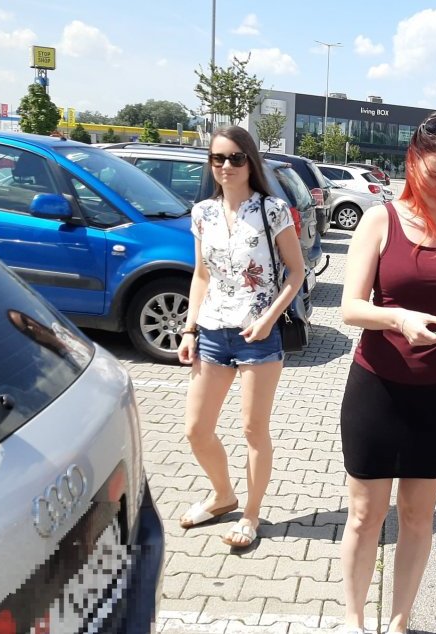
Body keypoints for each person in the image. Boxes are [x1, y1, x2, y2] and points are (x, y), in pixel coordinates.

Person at [338, 112, 436, 634]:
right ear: (413, 162)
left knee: (419, 517)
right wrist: (399, 318)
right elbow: (351, 308)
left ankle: (400, 622)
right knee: (365, 516)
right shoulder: (380, 219)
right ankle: (355, 622)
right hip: (376, 390)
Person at [176, 125, 306, 550]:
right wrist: (190, 327)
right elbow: (200, 274)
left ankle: (250, 514)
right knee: (196, 429)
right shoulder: (202, 213)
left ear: (250, 161)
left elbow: (296, 271)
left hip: (258, 334)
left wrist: (269, 319)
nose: (226, 166)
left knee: (253, 430)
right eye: (218, 158)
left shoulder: (272, 210)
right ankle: (222, 495)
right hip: (212, 332)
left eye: (235, 158)